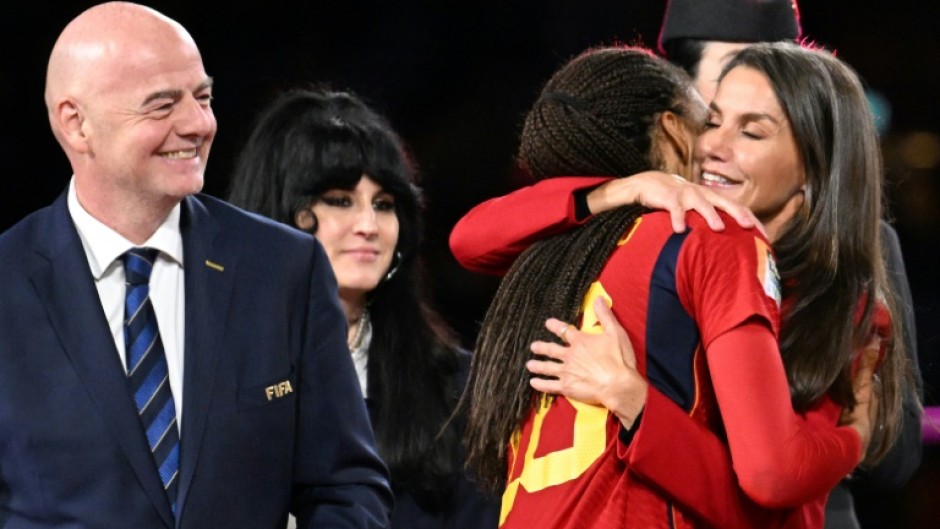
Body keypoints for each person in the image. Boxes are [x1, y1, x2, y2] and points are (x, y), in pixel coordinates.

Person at [457, 43, 903, 529]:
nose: (714, 146)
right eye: (711, 121)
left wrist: (637, 403)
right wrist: (618, 189)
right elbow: (469, 238)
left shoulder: (838, 304)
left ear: (816, 168)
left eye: (751, 132)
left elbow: (781, 494)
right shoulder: (679, 235)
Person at [0, 3, 391, 527]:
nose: (198, 124)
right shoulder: (8, 282)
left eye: (202, 97)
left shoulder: (283, 269)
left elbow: (346, 488)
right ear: (76, 124)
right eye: (162, 106)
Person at [661, 2, 923, 526]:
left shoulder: (860, 252)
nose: (761, 81)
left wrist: (842, 431)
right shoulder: (648, 229)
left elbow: (895, 453)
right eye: (719, 109)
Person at [227, 87, 499, 529]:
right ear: (280, 210)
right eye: (339, 200)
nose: (369, 226)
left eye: (385, 204)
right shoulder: (199, 367)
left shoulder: (458, 391)